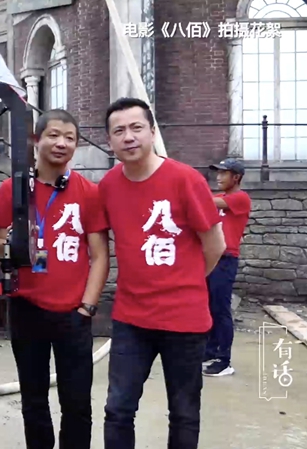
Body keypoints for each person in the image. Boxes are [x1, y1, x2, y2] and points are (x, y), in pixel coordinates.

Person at [99, 97, 226, 449]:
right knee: (118, 409)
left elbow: (215, 245)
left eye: (136, 127)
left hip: (184, 320)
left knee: (184, 413)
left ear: (152, 132)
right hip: (131, 319)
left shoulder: (185, 179)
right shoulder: (108, 186)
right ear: (109, 141)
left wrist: (185, 283)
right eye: (119, 131)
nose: (128, 137)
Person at [0, 109, 110, 449]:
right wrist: (13, 243)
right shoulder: (12, 190)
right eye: (54, 135)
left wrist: (87, 307)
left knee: (77, 403)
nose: (61, 143)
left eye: (69, 138)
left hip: (74, 314)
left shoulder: (89, 192)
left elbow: (100, 255)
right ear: (36, 140)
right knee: (34, 400)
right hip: (26, 308)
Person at [203, 158, 251, 377]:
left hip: (226, 259)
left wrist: (187, 188)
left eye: (224, 173)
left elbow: (207, 202)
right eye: (218, 173)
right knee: (209, 307)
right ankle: (210, 351)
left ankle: (224, 361)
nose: (219, 177)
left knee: (221, 310)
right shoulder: (219, 197)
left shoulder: (240, 198)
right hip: (211, 258)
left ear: (236, 177)